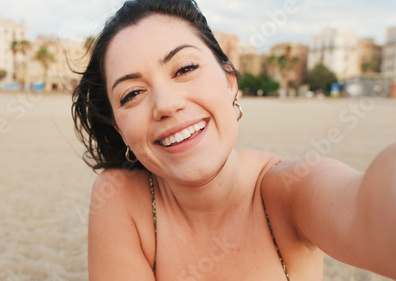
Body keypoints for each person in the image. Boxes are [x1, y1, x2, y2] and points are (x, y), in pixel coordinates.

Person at [71, 0, 396, 280]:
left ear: (230, 81)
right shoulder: (121, 199)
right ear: (118, 128)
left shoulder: (294, 189)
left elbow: (368, 210)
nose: (166, 104)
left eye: (184, 68)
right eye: (132, 93)